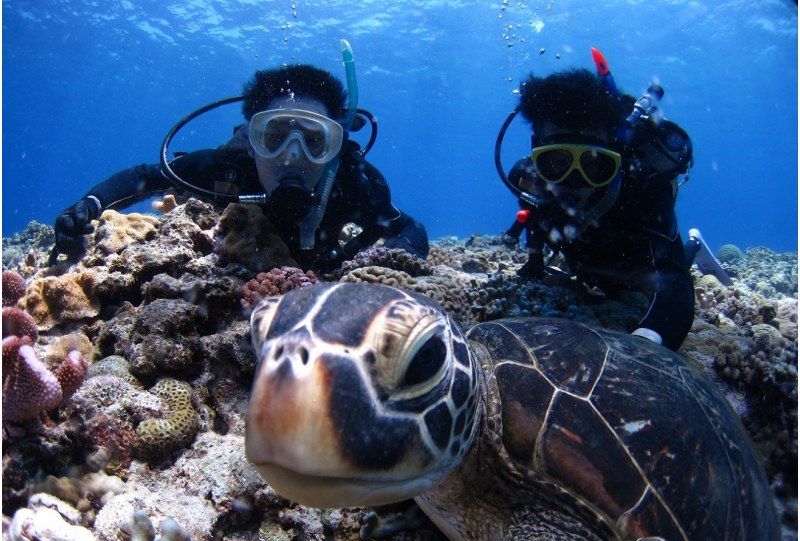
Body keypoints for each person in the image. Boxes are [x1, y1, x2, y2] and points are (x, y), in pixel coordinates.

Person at [49, 55, 428, 272]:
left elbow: (409, 229)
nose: (293, 154)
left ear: (336, 145)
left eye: (315, 140)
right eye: (275, 136)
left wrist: (377, 269)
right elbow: (145, 177)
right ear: (251, 141)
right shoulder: (228, 168)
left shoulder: (352, 182)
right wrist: (89, 206)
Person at [495, 53, 700, 351]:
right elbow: (533, 216)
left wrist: (647, 344)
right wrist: (535, 261)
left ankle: (694, 244)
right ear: (536, 155)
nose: (574, 181)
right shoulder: (528, 179)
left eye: (593, 163)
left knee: (653, 274)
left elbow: (676, 281)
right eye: (557, 162)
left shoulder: (643, 187)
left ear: (614, 159)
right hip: (583, 264)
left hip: (636, 272)